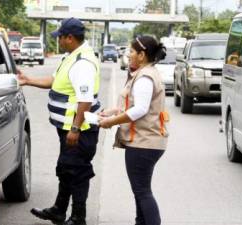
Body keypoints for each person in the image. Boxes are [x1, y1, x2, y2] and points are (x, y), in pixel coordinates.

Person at [17, 17, 101, 225]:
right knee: (65, 169)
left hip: (79, 130)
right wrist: (29, 80)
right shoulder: (72, 57)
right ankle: (59, 210)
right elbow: (54, 81)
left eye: (60, 38)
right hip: (67, 128)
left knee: (78, 172)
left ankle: (78, 217)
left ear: (70, 38)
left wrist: (75, 128)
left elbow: (85, 100)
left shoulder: (83, 63)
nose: (58, 41)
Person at [98, 35, 169, 225]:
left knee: (142, 191)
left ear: (141, 54)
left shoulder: (145, 76)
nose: (128, 55)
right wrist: (111, 113)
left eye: (131, 51)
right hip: (146, 142)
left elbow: (140, 109)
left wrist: (111, 122)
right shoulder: (146, 72)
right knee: (140, 191)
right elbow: (134, 104)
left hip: (144, 143)